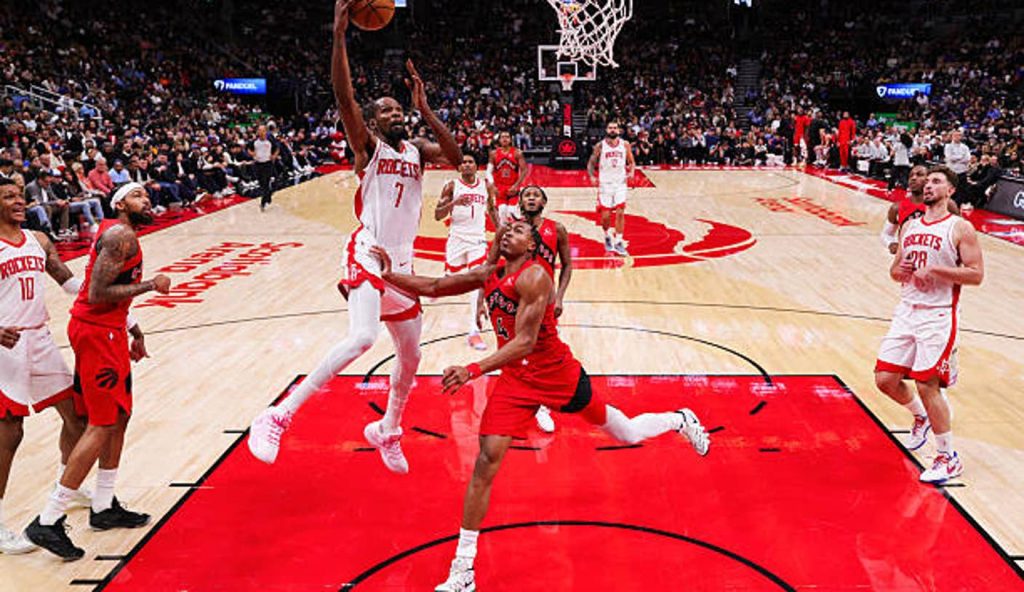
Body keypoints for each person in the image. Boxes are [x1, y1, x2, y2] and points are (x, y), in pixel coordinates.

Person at [371, 220, 710, 592]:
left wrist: (472, 369)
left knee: (625, 432)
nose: (507, 232)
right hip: (516, 382)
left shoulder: (536, 277)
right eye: (506, 228)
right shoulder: (490, 272)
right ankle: (463, 569)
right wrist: (390, 276)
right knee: (485, 461)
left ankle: (679, 419)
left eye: (517, 231)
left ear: (531, 245)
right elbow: (435, 286)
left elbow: (525, 342)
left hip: (556, 374)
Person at [246, 0, 463, 474]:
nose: (394, 113)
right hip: (368, 251)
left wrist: (425, 107)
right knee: (363, 337)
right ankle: (277, 415)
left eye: (396, 108)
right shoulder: (369, 148)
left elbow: (457, 154)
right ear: (373, 121)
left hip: (402, 266)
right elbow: (344, 97)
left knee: (410, 356)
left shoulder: (419, 151)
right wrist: (339, 36)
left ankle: (387, 429)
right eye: (384, 110)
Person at [24, 183, 170, 560]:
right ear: (119, 204)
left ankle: (103, 506)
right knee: (102, 423)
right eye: (138, 196)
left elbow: (106, 288)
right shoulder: (120, 235)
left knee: (119, 416)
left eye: (147, 196)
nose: (147, 200)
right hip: (95, 333)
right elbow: (97, 293)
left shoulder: (122, 234)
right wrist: (151, 285)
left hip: (110, 331)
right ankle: (49, 518)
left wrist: (132, 328)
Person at [874, 166, 984, 483]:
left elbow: (976, 274)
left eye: (937, 181)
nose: (928, 184)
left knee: (927, 383)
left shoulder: (960, 228)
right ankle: (919, 416)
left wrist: (937, 271)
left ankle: (948, 457)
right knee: (884, 379)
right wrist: (903, 269)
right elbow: (895, 272)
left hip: (938, 313)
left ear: (950, 191)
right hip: (907, 309)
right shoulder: (909, 227)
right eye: (928, 180)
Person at [0, 178, 92, 555]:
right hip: (7, 346)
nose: (18, 201)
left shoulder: (38, 239)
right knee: (10, 433)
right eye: (8, 197)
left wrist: (101, 287)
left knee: (78, 416)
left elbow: (68, 281)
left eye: (20, 195)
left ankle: (64, 485)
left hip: (40, 338)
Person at [435, 154, 497, 351]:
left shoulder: (485, 185)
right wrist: (453, 204)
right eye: (463, 162)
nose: (467, 165)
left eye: (470, 162)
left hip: (477, 239)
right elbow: (438, 215)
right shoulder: (451, 186)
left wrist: (502, 230)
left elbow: (492, 210)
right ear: (458, 167)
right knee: (452, 277)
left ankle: (473, 332)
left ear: (476, 166)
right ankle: (442, 283)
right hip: (456, 238)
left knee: (476, 282)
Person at [880, 165, 959, 255]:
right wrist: (891, 244)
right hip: (907, 261)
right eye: (911, 175)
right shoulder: (897, 207)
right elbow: (886, 234)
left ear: (928, 179)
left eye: (919, 175)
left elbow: (959, 233)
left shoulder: (948, 204)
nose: (913, 178)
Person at [587, 121, 635, 256]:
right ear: (606, 130)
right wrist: (591, 176)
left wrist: (631, 172)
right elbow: (591, 163)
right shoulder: (600, 146)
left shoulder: (625, 145)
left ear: (619, 130)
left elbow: (631, 162)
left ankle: (619, 242)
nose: (613, 130)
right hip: (605, 184)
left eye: (615, 128)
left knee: (620, 212)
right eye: (610, 128)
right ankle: (608, 236)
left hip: (620, 183)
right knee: (606, 215)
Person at [487, 131, 528, 226]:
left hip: (512, 186)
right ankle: (504, 235)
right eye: (502, 137)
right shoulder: (493, 153)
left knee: (512, 212)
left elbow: (524, 170)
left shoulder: (517, 153)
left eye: (507, 137)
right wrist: (492, 186)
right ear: (499, 140)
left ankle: (518, 231)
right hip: (500, 187)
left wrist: (517, 185)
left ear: (510, 139)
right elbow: (488, 171)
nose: (505, 139)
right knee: (502, 212)